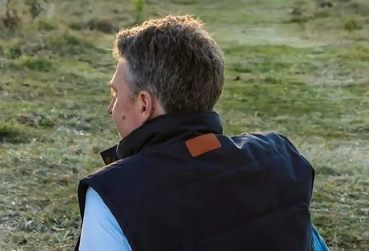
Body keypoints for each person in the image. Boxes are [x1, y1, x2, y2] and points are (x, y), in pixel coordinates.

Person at [76, 14, 331, 251]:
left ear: (144, 104)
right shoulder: (280, 158)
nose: (111, 108)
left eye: (115, 94)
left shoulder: (111, 194)